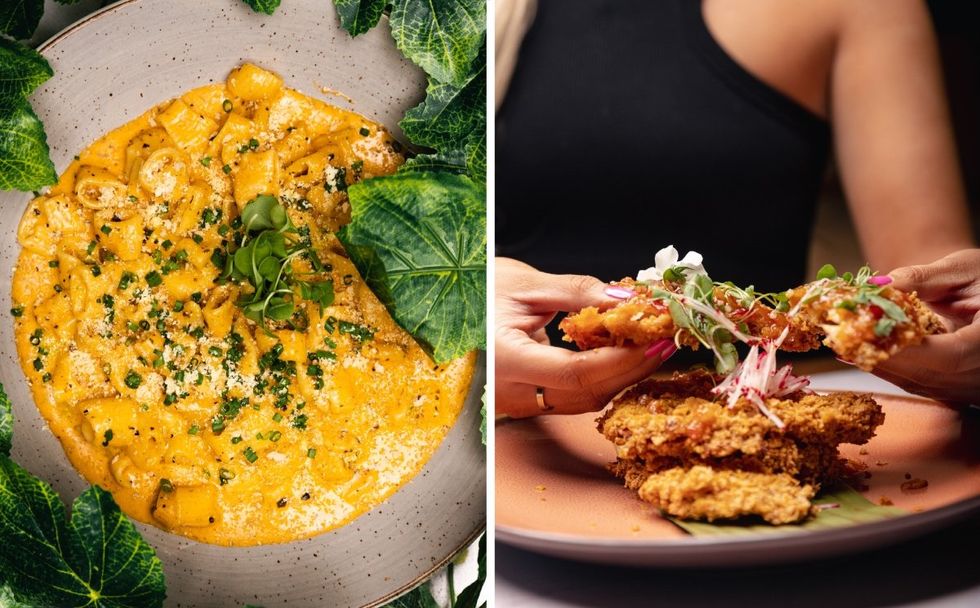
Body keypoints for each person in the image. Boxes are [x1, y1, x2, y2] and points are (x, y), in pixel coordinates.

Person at [494, 0, 977, 417]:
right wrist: (468, 306)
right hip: (507, 445)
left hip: (767, 411)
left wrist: (960, 335)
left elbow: (934, 283)